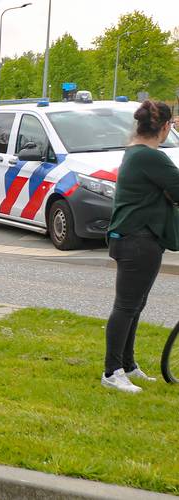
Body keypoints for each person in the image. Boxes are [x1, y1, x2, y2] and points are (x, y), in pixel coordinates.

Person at [100, 100, 178, 394]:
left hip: (133, 238)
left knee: (135, 305)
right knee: (126, 306)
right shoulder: (150, 157)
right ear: (166, 127)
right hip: (138, 240)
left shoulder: (135, 152)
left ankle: (128, 365)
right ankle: (111, 371)